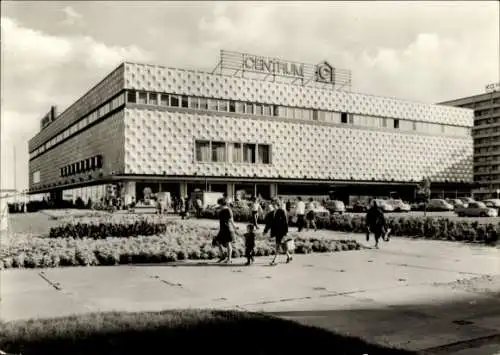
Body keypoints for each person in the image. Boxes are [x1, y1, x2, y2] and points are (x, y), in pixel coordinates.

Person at [264, 199, 292, 265]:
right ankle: (289, 256)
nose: (273, 205)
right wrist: (265, 230)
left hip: (281, 231)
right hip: (276, 231)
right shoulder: (272, 213)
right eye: (272, 203)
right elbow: (269, 223)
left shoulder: (282, 211)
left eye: (274, 203)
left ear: (278, 204)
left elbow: (285, 222)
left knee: (277, 245)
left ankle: (275, 260)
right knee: (282, 245)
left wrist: (286, 232)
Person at [213, 198, 238, 264]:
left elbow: (231, 220)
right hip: (222, 229)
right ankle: (222, 256)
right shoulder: (222, 210)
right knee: (218, 241)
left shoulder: (228, 210)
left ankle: (229, 259)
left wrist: (235, 228)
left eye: (219, 203)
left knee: (228, 243)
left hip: (228, 229)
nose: (218, 205)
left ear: (221, 204)